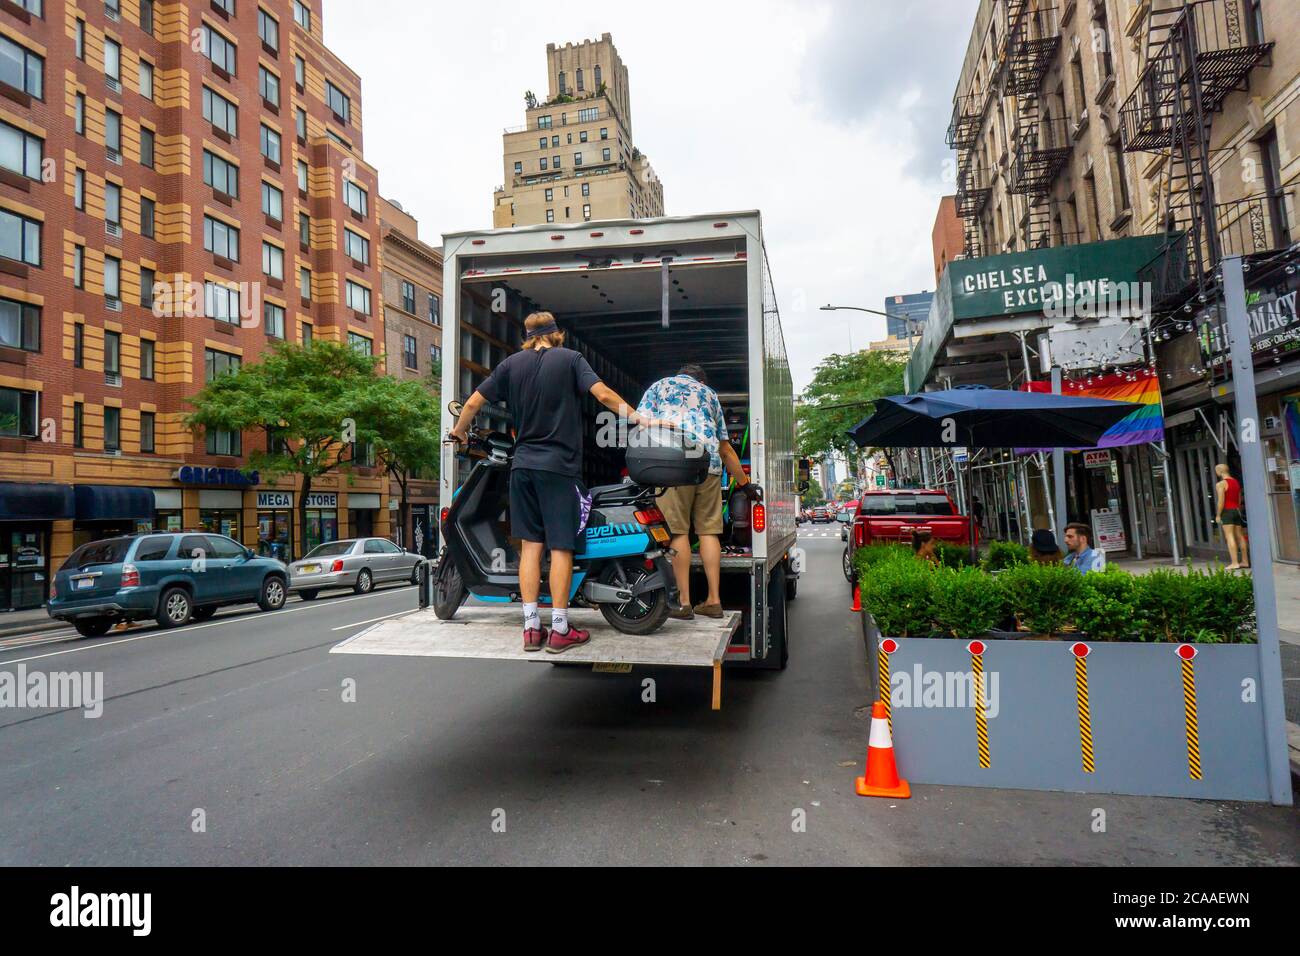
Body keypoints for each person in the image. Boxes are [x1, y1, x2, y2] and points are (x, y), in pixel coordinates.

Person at [448, 312, 651, 654]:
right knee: (561, 548)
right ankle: (559, 628)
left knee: (530, 547)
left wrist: (458, 432)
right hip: (559, 469)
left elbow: (472, 403)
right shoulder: (571, 360)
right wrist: (636, 416)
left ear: (527, 336)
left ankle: (530, 628)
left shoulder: (511, 365)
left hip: (522, 467)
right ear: (556, 334)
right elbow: (602, 395)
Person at [636, 364, 750, 620]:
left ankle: (683, 602)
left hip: (673, 465)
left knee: (677, 532)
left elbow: (641, 424)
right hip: (708, 465)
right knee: (709, 531)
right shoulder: (710, 395)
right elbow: (726, 448)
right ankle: (713, 600)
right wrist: (744, 484)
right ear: (701, 380)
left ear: (679, 374)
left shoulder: (659, 386)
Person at [1214, 463, 1250, 570]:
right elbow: (1239, 499)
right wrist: (1237, 509)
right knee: (1240, 536)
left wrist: (1218, 515)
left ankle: (1234, 563)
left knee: (1229, 536)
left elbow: (1221, 501)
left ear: (1220, 471)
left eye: (1216, 470)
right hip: (1236, 510)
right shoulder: (1235, 482)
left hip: (1227, 511)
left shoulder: (1221, 484)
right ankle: (1245, 561)